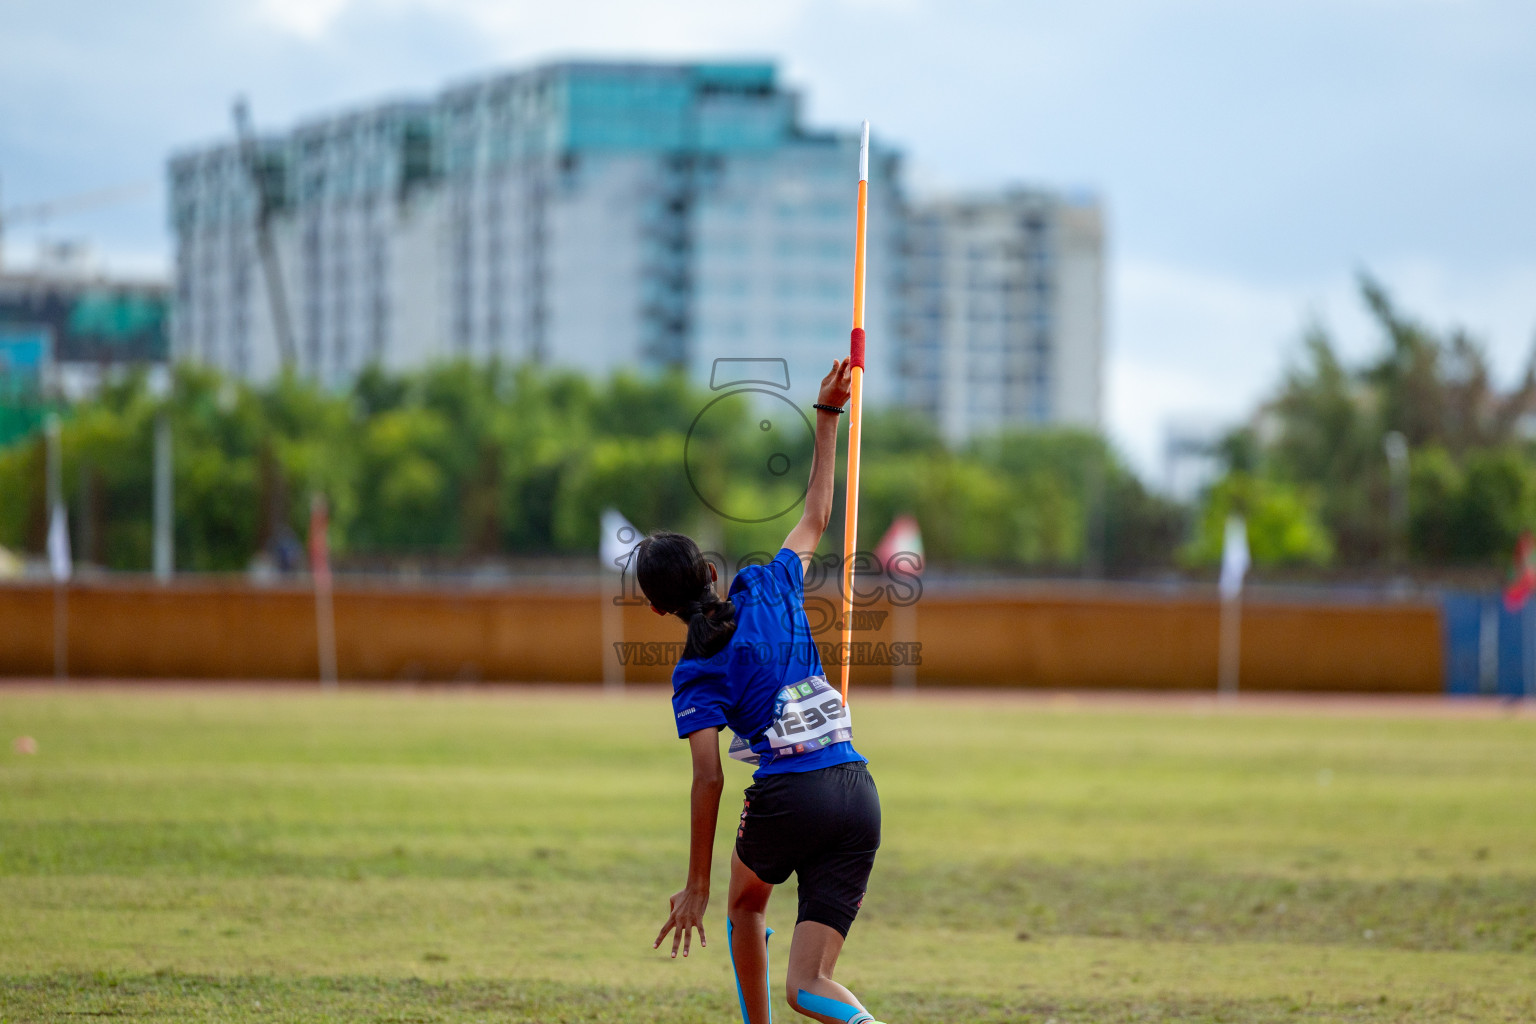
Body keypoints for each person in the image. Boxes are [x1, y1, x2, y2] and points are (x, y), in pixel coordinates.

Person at [638, 356, 886, 1024]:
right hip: (859, 792)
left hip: (793, 795)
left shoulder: (693, 671)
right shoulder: (766, 584)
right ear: (711, 572)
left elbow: (708, 779)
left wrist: (694, 885)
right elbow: (817, 514)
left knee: (745, 906)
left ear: (658, 610)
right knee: (812, 984)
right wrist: (828, 415)